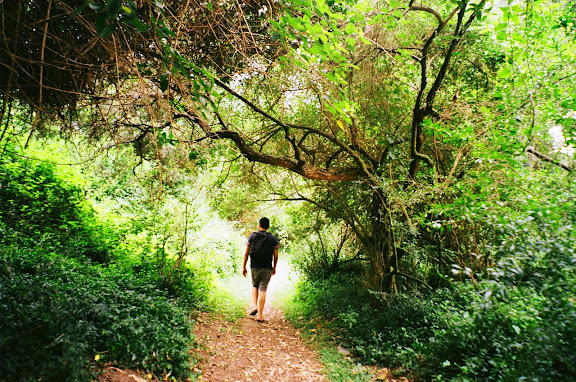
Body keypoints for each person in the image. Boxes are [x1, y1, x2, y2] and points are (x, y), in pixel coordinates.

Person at [242, 217, 279, 322]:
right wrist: (274, 267)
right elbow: (276, 255)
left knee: (255, 285)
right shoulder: (272, 238)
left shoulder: (253, 236)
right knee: (263, 289)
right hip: (267, 267)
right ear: (268, 226)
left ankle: (255, 306)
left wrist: (244, 266)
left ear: (259, 224)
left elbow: (246, 253)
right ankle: (260, 315)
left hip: (254, 266)